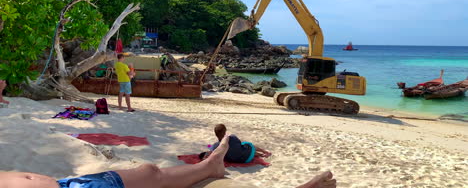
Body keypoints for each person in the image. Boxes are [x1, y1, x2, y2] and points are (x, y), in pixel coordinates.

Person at [0, 135, 337, 188]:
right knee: (152, 174)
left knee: (151, 171)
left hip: (69, 184)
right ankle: (213, 163)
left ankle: (211, 165)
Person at [200, 124, 271, 163]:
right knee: (247, 144)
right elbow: (239, 144)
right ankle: (264, 152)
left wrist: (208, 145)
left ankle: (260, 154)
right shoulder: (232, 137)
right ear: (225, 131)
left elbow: (210, 149)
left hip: (237, 160)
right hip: (247, 157)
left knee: (240, 150)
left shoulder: (215, 146)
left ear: (215, 134)